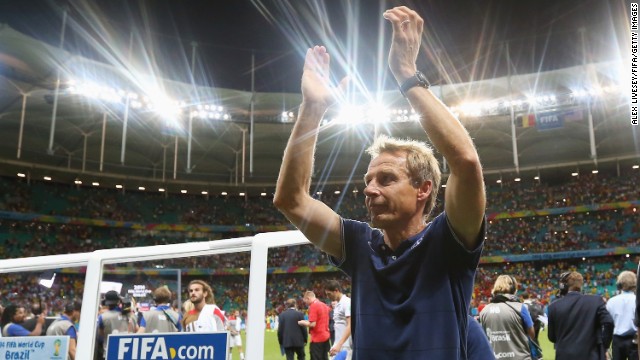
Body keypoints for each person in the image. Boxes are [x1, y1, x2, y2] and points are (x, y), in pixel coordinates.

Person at [273, 5, 486, 359]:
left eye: (386, 179)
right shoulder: (359, 244)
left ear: (424, 189)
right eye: (368, 180)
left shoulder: (449, 243)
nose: (370, 189)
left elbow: (465, 162)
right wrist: (312, 108)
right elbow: (291, 200)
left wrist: (406, 74)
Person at [548, 271, 614, 360]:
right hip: (591, 355)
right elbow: (609, 322)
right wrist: (604, 345)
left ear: (564, 286)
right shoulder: (596, 301)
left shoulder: (554, 306)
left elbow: (552, 337)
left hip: (564, 356)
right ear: (581, 284)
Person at [479, 275, 536, 359]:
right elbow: (532, 334)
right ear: (513, 289)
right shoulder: (520, 308)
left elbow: (484, 337)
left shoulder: (484, 311)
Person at [606, 271, 638, 360]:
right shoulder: (637, 300)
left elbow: (608, 325)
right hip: (635, 340)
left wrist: (606, 346)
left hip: (617, 340)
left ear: (619, 284)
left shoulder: (611, 301)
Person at [97, 290, 135, 358]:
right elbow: (134, 329)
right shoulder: (129, 315)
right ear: (118, 301)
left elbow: (101, 335)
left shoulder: (102, 317)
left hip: (109, 353)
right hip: (127, 352)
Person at [298, 291, 330, 360]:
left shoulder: (313, 306)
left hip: (317, 338)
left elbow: (313, 324)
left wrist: (302, 322)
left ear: (308, 298)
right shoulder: (324, 305)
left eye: (305, 301)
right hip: (326, 336)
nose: (306, 303)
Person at [325, 280, 351, 360]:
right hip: (338, 345)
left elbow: (350, 325)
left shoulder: (346, 302)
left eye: (329, 294)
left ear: (336, 290)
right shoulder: (337, 304)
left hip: (345, 346)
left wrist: (340, 344)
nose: (328, 297)